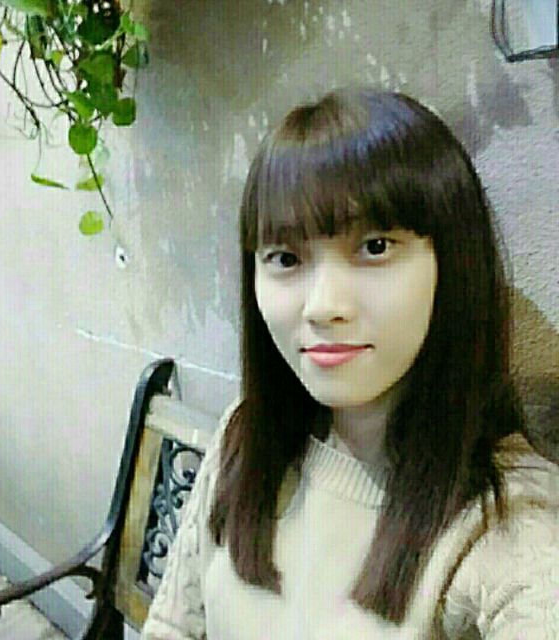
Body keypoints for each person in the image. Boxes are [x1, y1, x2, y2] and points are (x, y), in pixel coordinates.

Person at [140, 87, 559, 639]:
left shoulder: (509, 528)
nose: (323, 307)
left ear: (454, 262)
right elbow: (172, 626)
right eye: (286, 258)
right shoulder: (246, 436)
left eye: (375, 247)